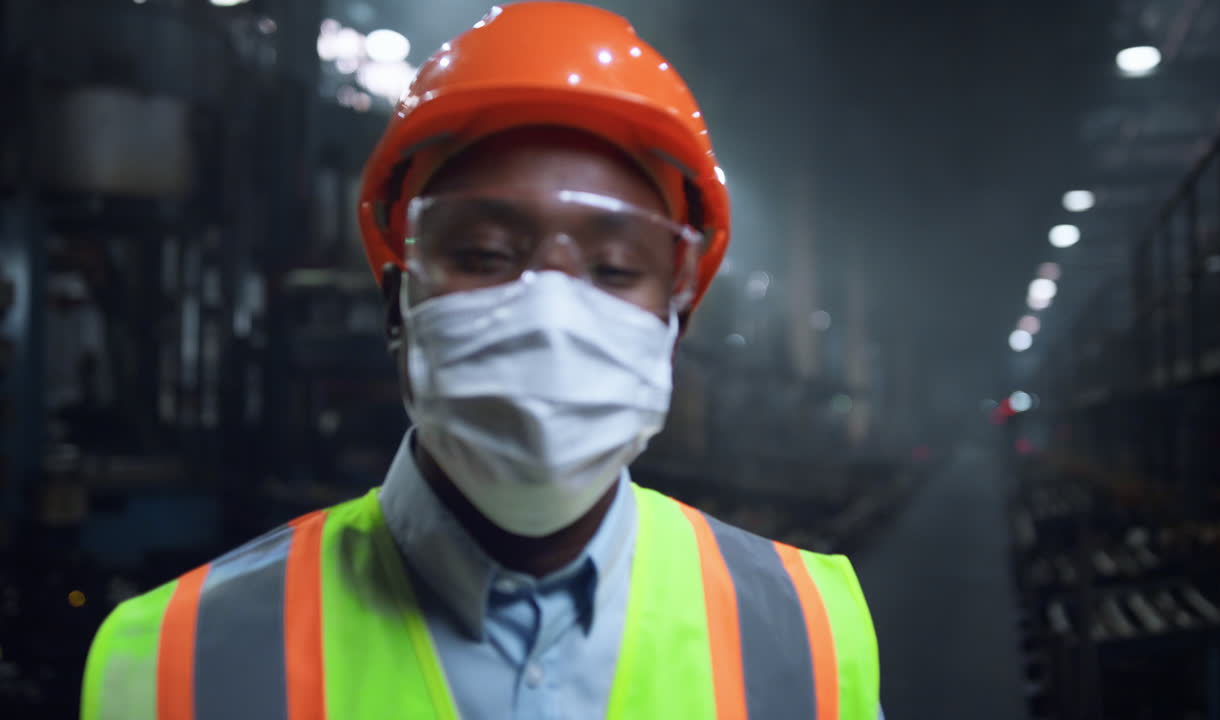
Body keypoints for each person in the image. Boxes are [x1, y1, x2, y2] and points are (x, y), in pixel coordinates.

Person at [80, 3, 881, 718]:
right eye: (487, 254)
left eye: (613, 269)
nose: (552, 314)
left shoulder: (805, 636)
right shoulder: (178, 662)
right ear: (399, 306)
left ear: (673, 324)